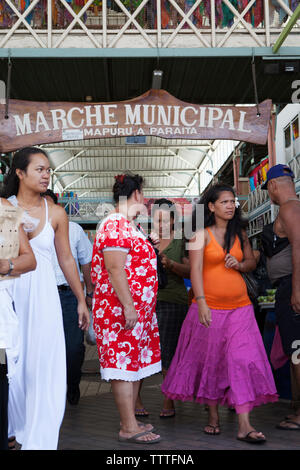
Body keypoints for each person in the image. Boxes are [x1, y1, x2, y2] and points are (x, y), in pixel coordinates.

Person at [162, 183, 278, 444]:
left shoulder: (241, 234)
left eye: (232, 201)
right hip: (210, 307)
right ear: (211, 206)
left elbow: (251, 262)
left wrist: (240, 264)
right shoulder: (200, 235)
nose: (230, 206)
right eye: (224, 201)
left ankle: (245, 425)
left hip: (241, 308)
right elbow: (195, 271)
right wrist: (201, 301)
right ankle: (213, 416)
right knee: (211, 361)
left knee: (242, 360)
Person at [1, 147, 89, 450]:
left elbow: (66, 259)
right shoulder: (4, 207)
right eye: (39, 169)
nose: (46, 175)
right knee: (16, 361)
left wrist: (80, 299)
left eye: (48, 170)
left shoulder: (58, 213)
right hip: (10, 293)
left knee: (45, 362)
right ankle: (15, 428)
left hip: (43, 295)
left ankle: (40, 431)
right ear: (20, 173)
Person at [91, 173, 162, 444]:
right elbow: (114, 268)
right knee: (122, 367)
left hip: (132, 313)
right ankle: (128, 427)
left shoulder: (128, 225)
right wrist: (130, 307)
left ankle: (129, 420)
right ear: (136, 195)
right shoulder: (114, 223)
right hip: (119, 311)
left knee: (131, 366)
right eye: (143, 194)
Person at [135, 198, 190, 418]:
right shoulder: (145, 240)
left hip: (172, 301)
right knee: (139, 352)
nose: (159, 223)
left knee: (169, 354)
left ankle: (168, 400)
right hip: (146, 304)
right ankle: (135, 400)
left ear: (174, 219)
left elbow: (190, 271)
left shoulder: (181, 239)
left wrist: (171, 265)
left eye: (163, 219)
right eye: (155, 218)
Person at [44, 189, 94, 406]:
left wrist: (88, 294)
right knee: (44, 347)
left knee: (73, 347)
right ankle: (49, 391)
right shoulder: (27, 228)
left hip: (68, 296)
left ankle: (72, 383)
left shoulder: (73, 230)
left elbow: (86, 262)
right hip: (42, 296)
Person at [261, 164, 300, 431]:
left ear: (273, 185)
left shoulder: (288, 208)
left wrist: (296, 289)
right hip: (287, 286)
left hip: (292, 288)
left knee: (298, 353)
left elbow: (299, 246)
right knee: (294, 352)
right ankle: (296, 408)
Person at [0, 198, 36, 450]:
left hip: (1, 317)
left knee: (1, 377)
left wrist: (6, 265)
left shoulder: (2, 208)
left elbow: (28, 260)